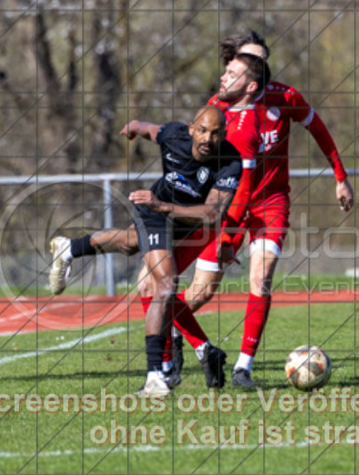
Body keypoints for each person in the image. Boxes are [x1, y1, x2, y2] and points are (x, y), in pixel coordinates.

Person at [175, 30, 355, 389]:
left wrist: (340, 175)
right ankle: (173, 332)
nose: (257, 66)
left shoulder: (284, 96)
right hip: (227, 206)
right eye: (247, 60)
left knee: (261, 277)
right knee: (202, 292)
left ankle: (243, 367)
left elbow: (317, 128)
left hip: (271, 203)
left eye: (261, 61)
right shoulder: (218, 110)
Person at [49, 106, 242, 395]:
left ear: (224, 135)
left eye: (215, 133)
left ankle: (69, 248)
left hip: (179, 219)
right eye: (202, 130)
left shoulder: (230, 161)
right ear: (191, 129)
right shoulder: (174, 135)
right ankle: (157, 375)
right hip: (155, 214)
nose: (207, 138)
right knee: (162, 285)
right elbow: (151, 129)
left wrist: (162, 205)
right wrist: (134, 127)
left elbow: (213, 214)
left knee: (128, 244)